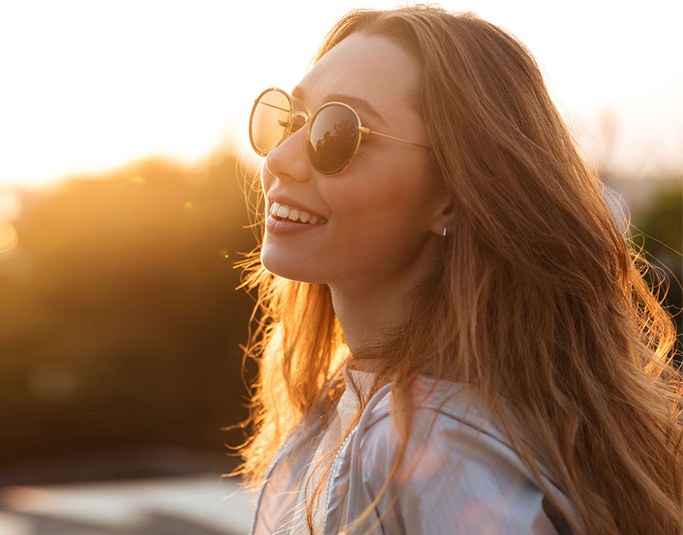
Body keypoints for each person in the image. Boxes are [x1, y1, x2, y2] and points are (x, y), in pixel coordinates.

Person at [235, 5, 682, 535]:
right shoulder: (380, 406)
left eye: (338, 132)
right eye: (291, 119)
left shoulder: (428, 439)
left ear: (452, 194)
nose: (281, 158)